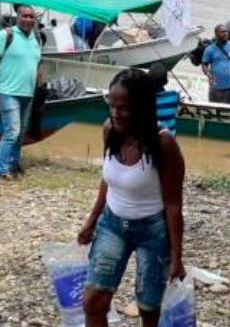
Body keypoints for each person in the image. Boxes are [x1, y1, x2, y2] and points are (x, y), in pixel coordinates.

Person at [78, 69, 185, 327]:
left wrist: (177, 256)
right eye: (112, 106)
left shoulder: (164, 144)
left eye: (124, 108)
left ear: (141, 107)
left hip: (153, 231)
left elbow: (173, 204)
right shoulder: (109, 130)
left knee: (149, 308)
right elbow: (109, 181)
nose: (116, 113)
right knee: (93, 302)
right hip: (112, 224)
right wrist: (91, 222)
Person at [0, 4, 42, 180]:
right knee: (12, 131)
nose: (27, 19)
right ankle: (0, 172)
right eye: (24, 16)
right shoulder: (6, 35)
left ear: (35, 20)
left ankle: (14, 164)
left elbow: (37, 63)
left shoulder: (35, 39)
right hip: (8, 92)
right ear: (17, 17)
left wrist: (40, 85)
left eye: (31, 17)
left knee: (20, 132)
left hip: (28, 93)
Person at [201, 24, 230, 103]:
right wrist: (208, 75)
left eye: (226, 31)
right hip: (215, 86)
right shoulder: (210, 49)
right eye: (222, 32)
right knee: (214, 108)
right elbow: (204, 64)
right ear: (216, 34)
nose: (225, 33)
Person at [148, 62, 179, 137]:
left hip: (152, 141)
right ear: (166, 81)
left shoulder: (144, 99)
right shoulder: (174, 96)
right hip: (170, 142)